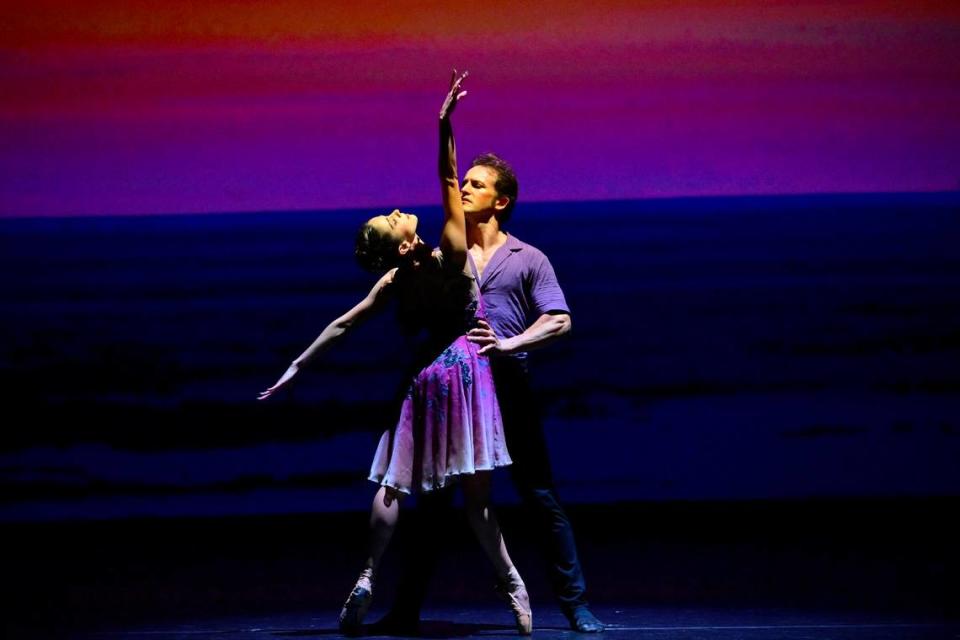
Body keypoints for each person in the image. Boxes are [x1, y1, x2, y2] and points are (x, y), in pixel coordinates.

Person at [258, 72, 533, 636]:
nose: (399, 210)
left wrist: (294, 367)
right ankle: (511, 583)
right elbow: (449, 176)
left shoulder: (391, 282)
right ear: (407, 243)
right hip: (463, 372)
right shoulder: (451, 255)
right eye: (395, 221)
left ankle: (367, 572)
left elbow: (342, 325)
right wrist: (444, 123)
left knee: (391, 481)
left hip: (421, 378)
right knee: (476, 496)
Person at [377, 107, 606, 636]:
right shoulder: (445, 255)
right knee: (434, 502)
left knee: (540, 496)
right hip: (457, 394)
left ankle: (576, 605)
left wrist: (509, 343)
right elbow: (417, 318)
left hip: (508, 389)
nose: (466, 189)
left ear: (500, 201)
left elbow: (560, 319)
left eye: (477, 185)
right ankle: (406, 609)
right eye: (466, 182)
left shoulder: (529, 259)